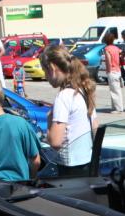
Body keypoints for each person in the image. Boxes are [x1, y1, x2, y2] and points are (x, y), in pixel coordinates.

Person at [40, 45, 98, 176]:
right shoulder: (82, 90)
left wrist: (49, 121)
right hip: (86, 161)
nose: (45, 76)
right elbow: (95, 126)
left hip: (69, 167)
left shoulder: (64, 96)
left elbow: (56, 141)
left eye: (45, 71)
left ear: (52, 68)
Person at [104, 31, 124, 113]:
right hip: (118, 70)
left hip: (112, 71)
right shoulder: (117, 48)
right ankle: (115, 107)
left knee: (114, 91)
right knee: (117, 90)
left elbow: (108, 61)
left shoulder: (107, 49)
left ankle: (118, 109)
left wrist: (108, 71)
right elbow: (121, 57)